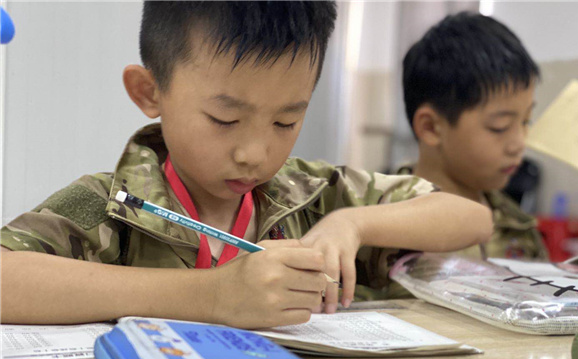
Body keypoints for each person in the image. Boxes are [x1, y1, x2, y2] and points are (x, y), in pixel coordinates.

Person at [1, 2, 492, 329]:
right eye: (225, 119)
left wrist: (353, 223)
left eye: (285, 121)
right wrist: (212, 296)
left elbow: (470, 217)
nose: (254, 154)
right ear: (150, 92)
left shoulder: (315, 196)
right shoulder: (110, 205)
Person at [401, 11, 548, 261]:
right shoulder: (381, 222)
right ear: (431, 127)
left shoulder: (518, 227)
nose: (519, 144)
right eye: (500, 126)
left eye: (526, 121)